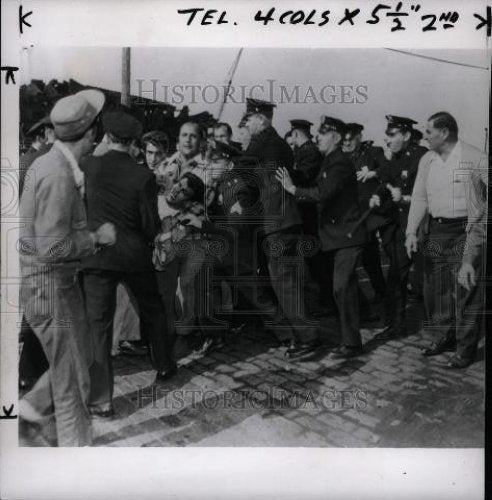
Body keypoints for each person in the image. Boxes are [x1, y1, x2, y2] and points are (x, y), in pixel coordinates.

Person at [19, 89, 116, 446]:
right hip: (51, 286)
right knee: (74, 381)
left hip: (53, 285)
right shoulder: (58, 175)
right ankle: (76, 463)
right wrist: (96, 238)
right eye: (96, 133)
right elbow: (50, 247)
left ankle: (29, 412)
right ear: (90, 134)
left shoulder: (50, 163)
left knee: (80, 359)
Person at [81, 110, 176, 418]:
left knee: (98, 327)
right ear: (134, 142)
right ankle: (163, 364)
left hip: (98, 255)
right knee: (153, 307)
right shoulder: (143, 176)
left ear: (107, 137)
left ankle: (101, 401)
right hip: (134, 256)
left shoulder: (90, 165)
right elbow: (149, 225)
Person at [277, 116, 367, 359]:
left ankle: (352, 343)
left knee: (341, 287)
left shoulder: (339, 163)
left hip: (347, 235)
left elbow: (324, 193)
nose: (317, 137)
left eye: (323, 134)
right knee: (339, 286)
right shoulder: (329, 161)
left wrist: (294, 191)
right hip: (333, 236)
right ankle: (353, 334)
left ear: (336, 138)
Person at [405, 111, 487, 368]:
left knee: (467, 289)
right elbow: (419, 197)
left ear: (444, 132)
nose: (425, 137)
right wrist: (411, 231)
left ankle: (465, 348)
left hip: (467, 231)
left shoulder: (475, 157)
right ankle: (443, 337)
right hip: (437, 231)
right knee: (436, 289)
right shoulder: (427, 160)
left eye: (428, 132)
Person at [242, 98, 319, 358]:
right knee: (289, 283)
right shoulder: (279, 145)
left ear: (261, 120)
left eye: (249, 120)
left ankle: (308, 338)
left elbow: (243, 170)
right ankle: (303, 334)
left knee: (285, 284)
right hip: (287, 222)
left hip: (278, 224)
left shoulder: (262, 142)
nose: (247, 125)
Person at [368, 115, 428, 339]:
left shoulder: (421, 157)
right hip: (398, 226)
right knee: (396, 274)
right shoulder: (397, 157)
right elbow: (386, 180)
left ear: (406, 135)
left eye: (392, 135)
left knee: (408, 277)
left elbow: (428, 195)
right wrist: (377, 193)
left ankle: (399, 324)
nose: (388, 139)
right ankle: (396, 323)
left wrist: (402, 198)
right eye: (388, 135)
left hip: (417, 226)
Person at [342, 122, 386, 302]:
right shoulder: (340, 157)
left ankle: (380, 292)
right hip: (349, 212)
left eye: (350, 139)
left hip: (368, 212)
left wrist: (373, 174)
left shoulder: (373, 152)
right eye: (344, 140)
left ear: (359, 137)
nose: (347, 143)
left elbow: (386, 169)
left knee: (370, 255)